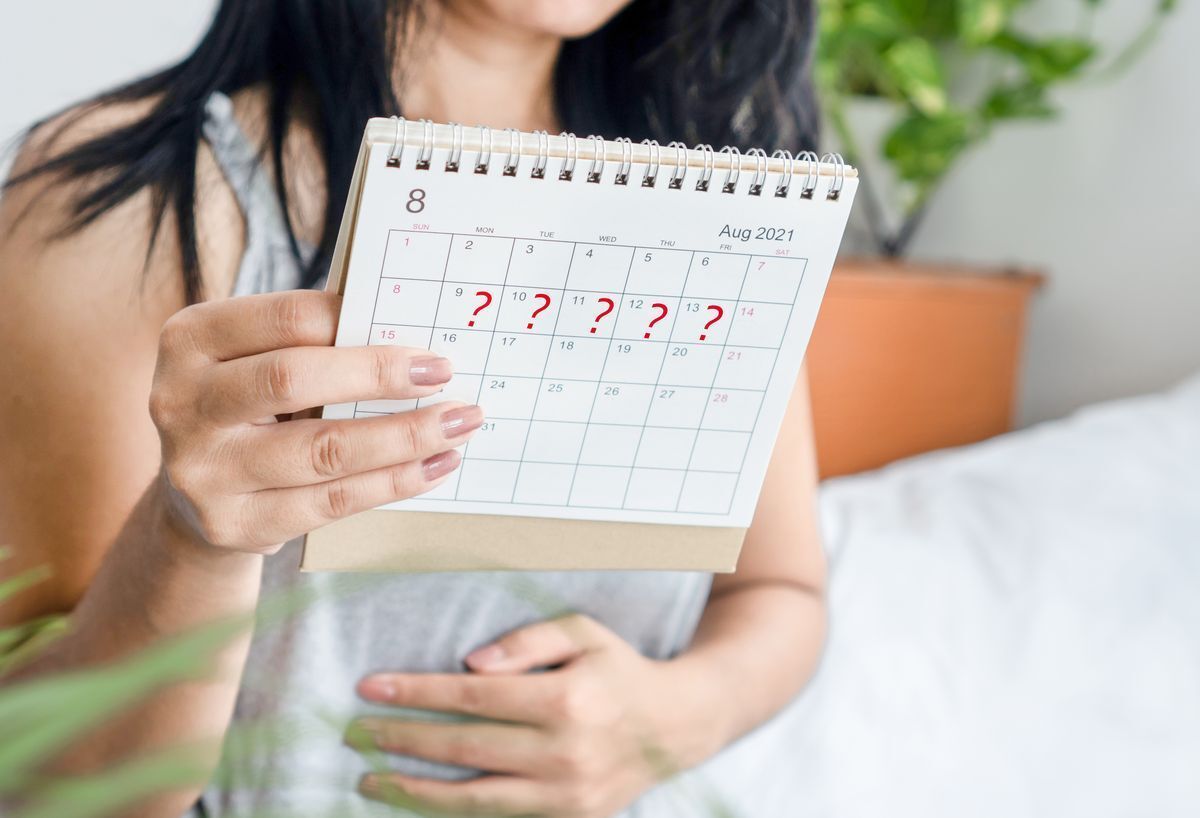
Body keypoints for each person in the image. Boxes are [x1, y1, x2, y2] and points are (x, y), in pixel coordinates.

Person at [0, 1, 827, 816]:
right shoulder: (129, 200)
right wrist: (187, 539)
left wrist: (680, 712)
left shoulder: (720, 203)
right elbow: (41, 779)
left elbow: (782, 590)